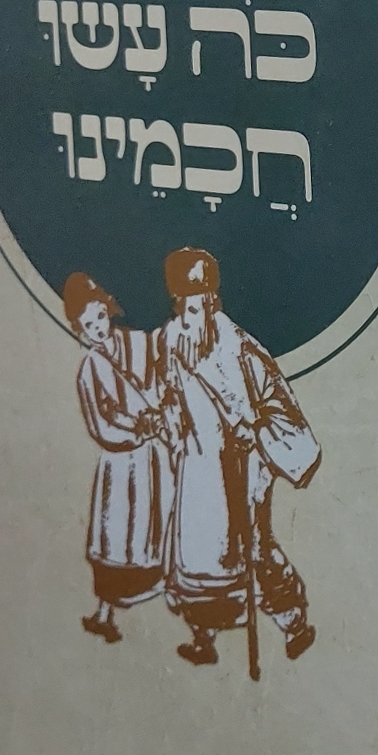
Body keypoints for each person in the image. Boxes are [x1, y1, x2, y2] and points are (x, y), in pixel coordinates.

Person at [155, 247, 320, 670]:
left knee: (254, 549)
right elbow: (169, 392)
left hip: (240, 468)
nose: (191, 317)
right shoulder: (170, 339)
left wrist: (254, 430)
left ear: (213, 302)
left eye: (199, 306)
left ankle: (294, 623)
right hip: (196, 466)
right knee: (195, 552)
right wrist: (171, 420)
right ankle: (202, 637)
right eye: (184, 307)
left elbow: (275, 404)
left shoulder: (239, 350)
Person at [64, 272, 173, 643]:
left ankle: (168, 600)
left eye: (100, 317)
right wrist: (134, 431)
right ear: (80, 330)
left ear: (108, 309)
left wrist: (158, 417)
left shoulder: (141, 343)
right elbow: (99, 424)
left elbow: (164, 381)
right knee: (117, 531)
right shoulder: (90, 370)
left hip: (156, 457)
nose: (98, 328)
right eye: (88, 325)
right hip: (121, 465)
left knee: (159, 522)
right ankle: (106, 613)